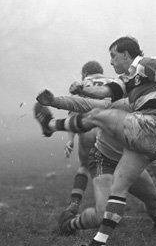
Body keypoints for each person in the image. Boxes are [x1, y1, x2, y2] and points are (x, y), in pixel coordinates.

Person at [34, 36, 156, 246]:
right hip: (107, 157)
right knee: (128, 202)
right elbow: (90, 99)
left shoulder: (147, 68)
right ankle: (77, 228)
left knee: (99, 115)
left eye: (113, 56)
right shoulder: (124, 87)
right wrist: (61, 98)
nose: (111, 62)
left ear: (126, 54)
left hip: (145, 133)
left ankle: (50, 126)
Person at [36, 90, 156, 236]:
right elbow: (84, 103)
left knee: (154, 200)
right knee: (102, 215)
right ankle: (68, 225)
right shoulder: (120, 102)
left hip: (128, 161)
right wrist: (55, 101)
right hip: (104, 160)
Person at [63, 60, 115, 214]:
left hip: (88, 128)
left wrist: (70, 140)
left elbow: (73, 112)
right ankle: (111, 206)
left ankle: (74, 203)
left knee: (84, 167)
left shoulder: (80, 84)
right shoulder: (112, 82)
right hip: (109, 126)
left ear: (85, 73)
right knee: (113, 168)